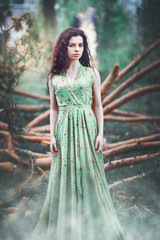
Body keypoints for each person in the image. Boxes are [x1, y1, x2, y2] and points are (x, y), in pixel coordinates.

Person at [33, 27, 126, 240]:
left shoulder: (91, 73)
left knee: (89, 175)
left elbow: (98, 106)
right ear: (63, 47)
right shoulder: (53, 77)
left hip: (87, 127)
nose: (77, 49)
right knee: (64, 175)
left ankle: (92, 229)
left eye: (80, 45)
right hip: (64, 128)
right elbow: (54, 108)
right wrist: (53, 136)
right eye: (72, 44)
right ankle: (67, 230)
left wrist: (101, 134)